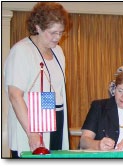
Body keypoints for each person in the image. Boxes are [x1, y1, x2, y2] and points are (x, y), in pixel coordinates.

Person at [4, 2, 70, 158]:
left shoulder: (58, 52)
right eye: (53, 32)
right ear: (38, 28)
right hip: (32, 124)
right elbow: (14, 95)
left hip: (56, 120)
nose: (58, 38)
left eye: (61, 32)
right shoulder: (22, 51)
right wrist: (32, 132)